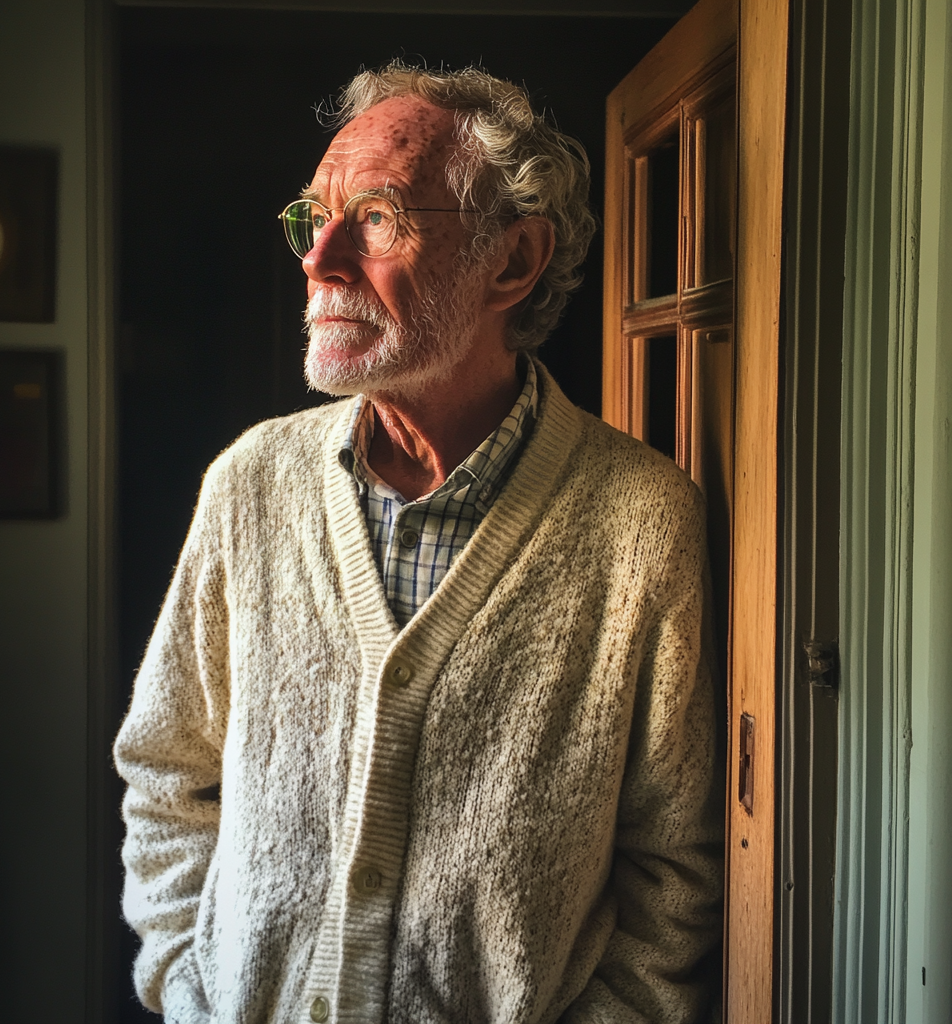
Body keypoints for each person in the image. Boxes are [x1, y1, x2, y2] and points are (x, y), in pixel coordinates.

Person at [115, 62, 723, 1024]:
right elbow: (166, 771)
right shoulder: (250, 483)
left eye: (378, 219)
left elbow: (675, 875)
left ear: (513, 261)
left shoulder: (643, 523)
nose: (319, 261)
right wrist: (189, 992)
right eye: (312, 219)